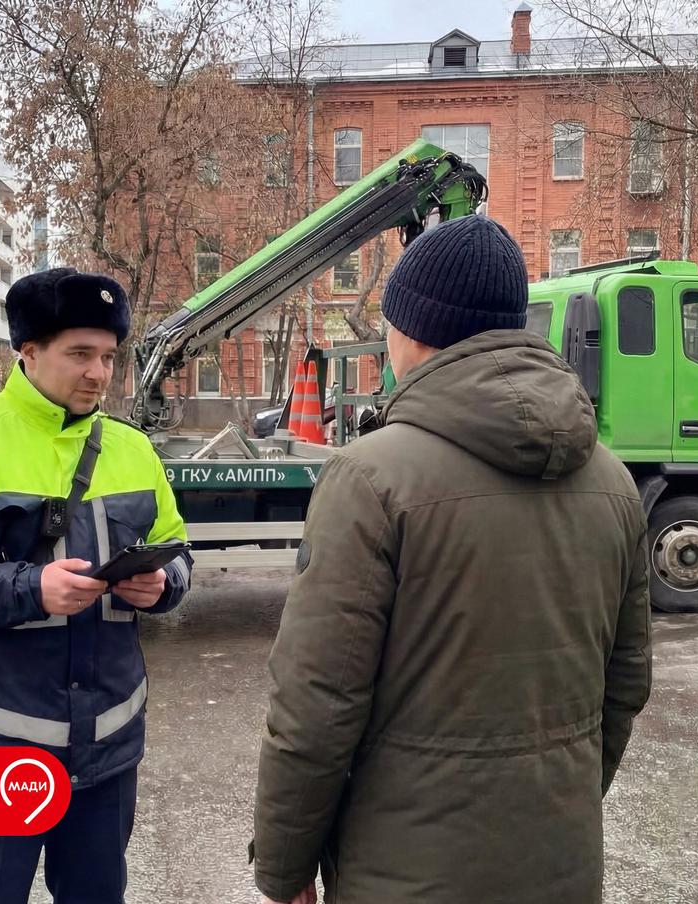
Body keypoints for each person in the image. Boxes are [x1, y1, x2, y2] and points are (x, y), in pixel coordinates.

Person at [252, 216, 651, 904]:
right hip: (561, 865)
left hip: (404, 875)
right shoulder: (614, 483)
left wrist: (284, 869)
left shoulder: (370, 479)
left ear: (411, 330)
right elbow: (625, 685)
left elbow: (316, 708)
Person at [0, 267, 193, 904]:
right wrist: (28, 589)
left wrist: (161, 585)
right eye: (79, 354)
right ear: (28, 352)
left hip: (107, 745)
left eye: (108, 356)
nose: (99, 374)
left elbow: (179, 554)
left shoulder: (132, 449)